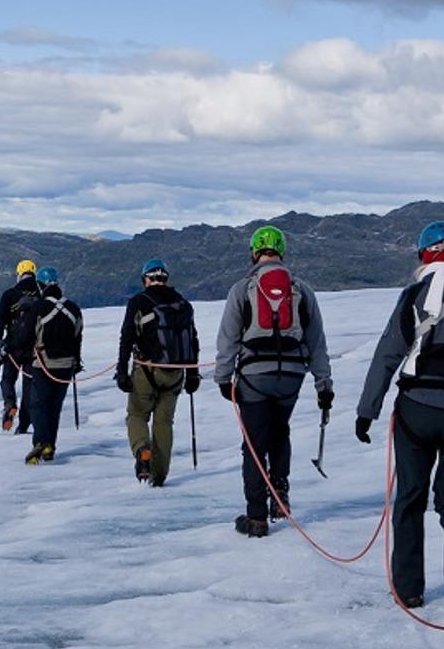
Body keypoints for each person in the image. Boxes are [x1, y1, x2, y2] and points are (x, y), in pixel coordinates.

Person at [355, 222, 444, 610]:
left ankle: (408, 589)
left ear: (424, 255)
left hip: (415, 408)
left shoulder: (415, 295)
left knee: (411, 499)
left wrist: (366, 411)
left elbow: (388, 353)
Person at [209, 226, 332, 536]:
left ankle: (257, 517)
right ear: (282, 252)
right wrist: (323, 385)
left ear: (254, 252)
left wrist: (224, 379)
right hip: (291, 377)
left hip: (254, 376)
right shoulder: (301, 290)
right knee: (280, 431)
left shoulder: (243, 288)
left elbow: (228, 339)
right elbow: (316, 342)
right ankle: (280, 498)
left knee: (254, 444)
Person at [115, 259, 200, 487]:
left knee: (137, 415)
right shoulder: (182, 303)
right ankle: (159, 476)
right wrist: (193, 375)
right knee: (164, 423)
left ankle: (142, 450)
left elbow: (127, 336)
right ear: (166, 278)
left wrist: (121, 371)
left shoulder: (139, 301)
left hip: (146, 370)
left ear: (146, 279)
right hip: (175, 373)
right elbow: (193, 340)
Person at [22, 267, 82, 464]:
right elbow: (77, 336)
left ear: (40, 285)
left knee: (38, 404)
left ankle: (41, 441)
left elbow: (27, 336)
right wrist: (76, 362)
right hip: (66, 365)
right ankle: (50, 447)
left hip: (43, 364)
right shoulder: (73, 308)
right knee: (54, 406)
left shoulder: (38, 307)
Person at [0, 260, 43, 432]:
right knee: (29, 385)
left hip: (12, 345)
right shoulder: (40, 293)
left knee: (7, 379)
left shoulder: (10, 294)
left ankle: (9, 403)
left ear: (19, 274)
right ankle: (23, 425)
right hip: (33, 347)